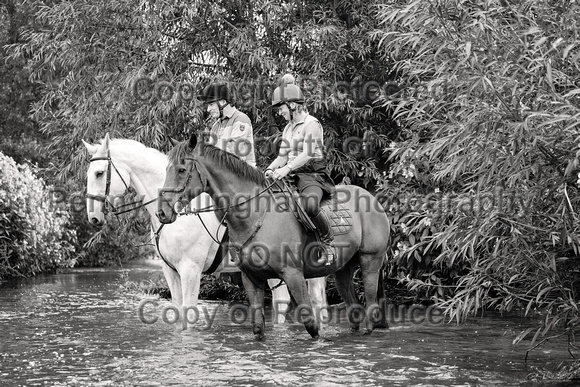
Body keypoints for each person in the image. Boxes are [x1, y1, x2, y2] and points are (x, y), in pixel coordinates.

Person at [265, 75, 336, 264]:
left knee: (310, 205)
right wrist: (268, 170)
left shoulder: (311, 124)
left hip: (313, 176)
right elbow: (282, 156)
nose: (279, 113)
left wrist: (286, 169)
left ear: (292, 105)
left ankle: (328, 243)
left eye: (281, 108)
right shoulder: (288, 128)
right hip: (292, 175)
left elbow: (308, 153)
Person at [197, 82, 256, 167]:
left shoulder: (240, 119)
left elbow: (233, 153)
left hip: (244, 176)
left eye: (211, 104)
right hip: (223, 174)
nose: (208, 109)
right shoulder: (216, 125)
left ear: (222, 102)